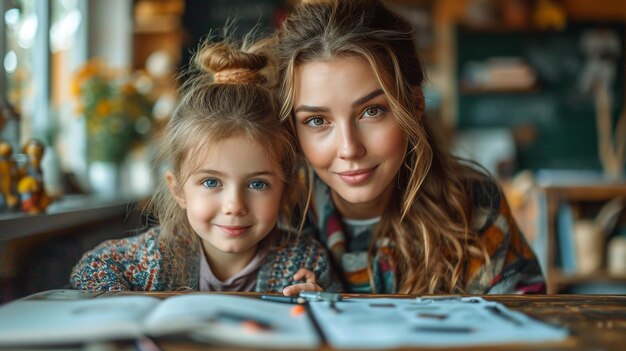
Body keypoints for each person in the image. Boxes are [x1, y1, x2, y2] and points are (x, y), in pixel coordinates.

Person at [276, 0, 546, 295]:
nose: (349, 148)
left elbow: (520, 322)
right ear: (293, 127)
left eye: (372, 111)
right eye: (317, 120)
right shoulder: (276, 207)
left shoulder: (474, 205)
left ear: (415, 104)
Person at [70, 38, 339, 294]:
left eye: (257, 184)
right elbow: (90, 269)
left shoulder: (303, 261)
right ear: (177, 189)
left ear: (287, 190)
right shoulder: (159, 255)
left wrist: (316, 300)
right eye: (211, 182)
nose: (234, 205)